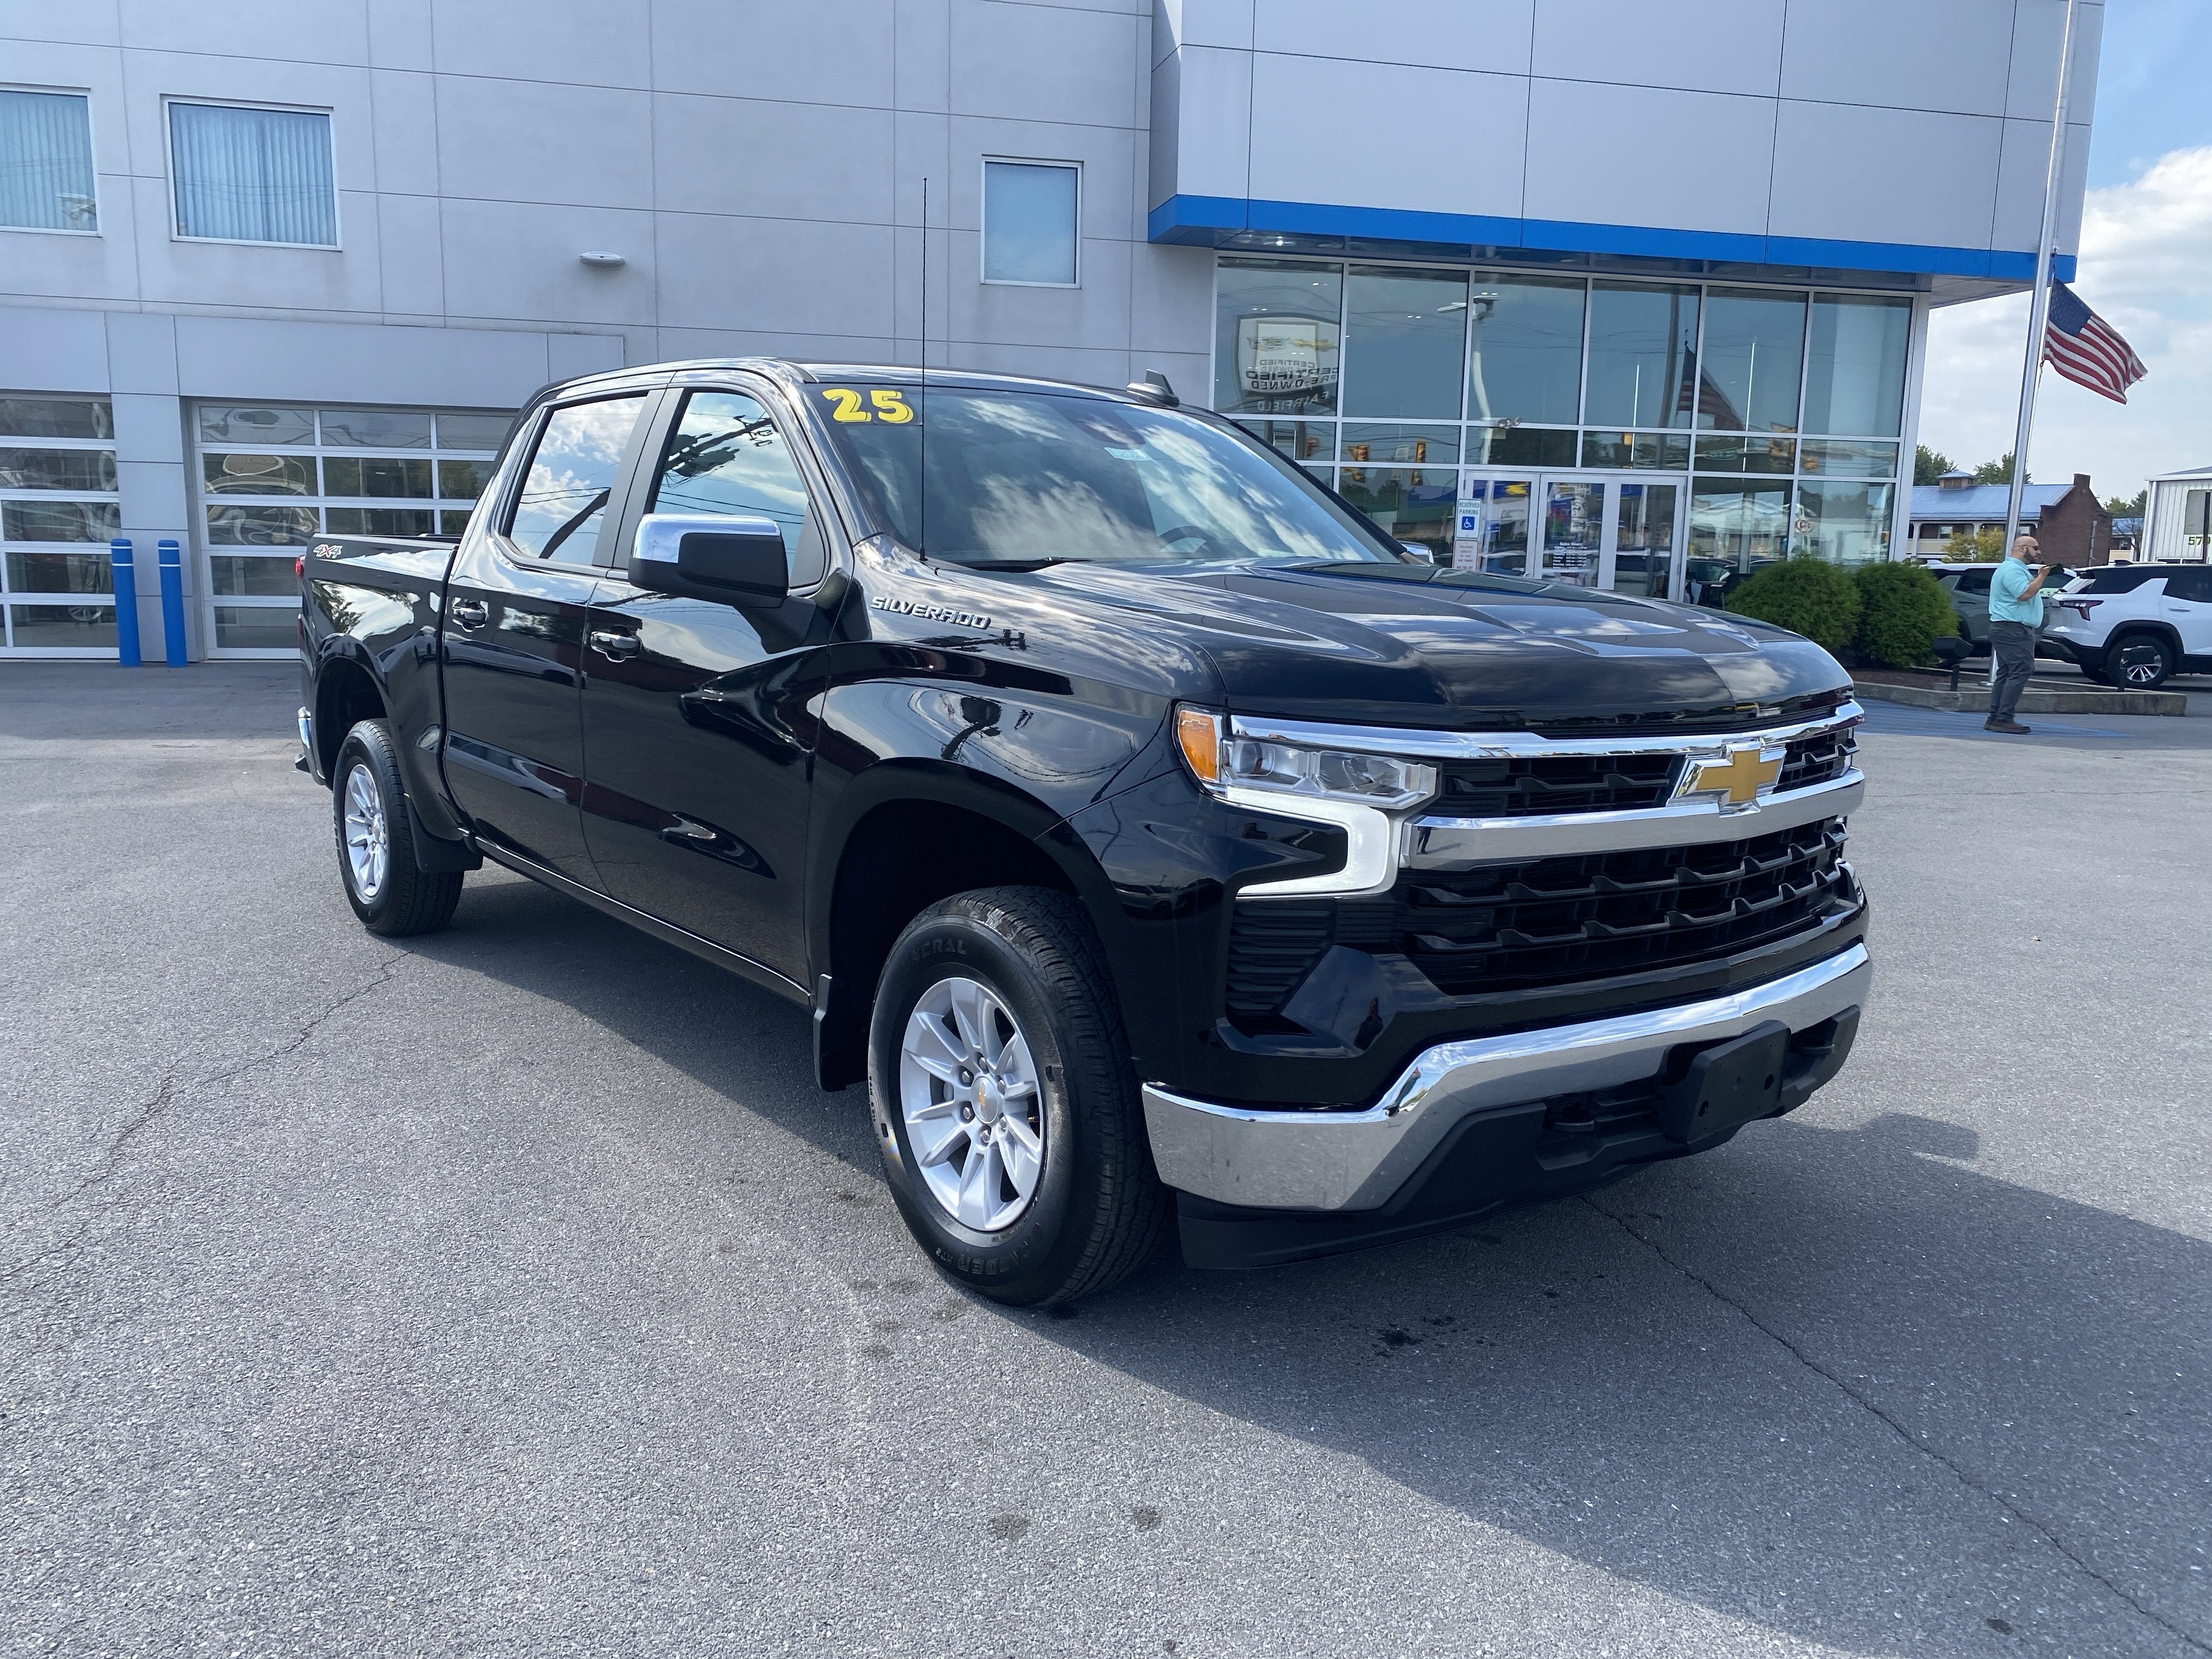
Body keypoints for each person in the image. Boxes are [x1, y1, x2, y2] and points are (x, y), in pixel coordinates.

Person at [1984, 533, 2057, 734]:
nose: (2038, 552)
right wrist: (2042, 577)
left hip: (2010, 628)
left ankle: (1996, 716)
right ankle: (2004, 717)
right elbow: (2024, 594)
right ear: (2023, 548)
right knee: (2022, 669)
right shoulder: (2011, 570)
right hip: (2012, 628)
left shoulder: (2017, 570)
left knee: (2008, 671)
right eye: (2035, 548)